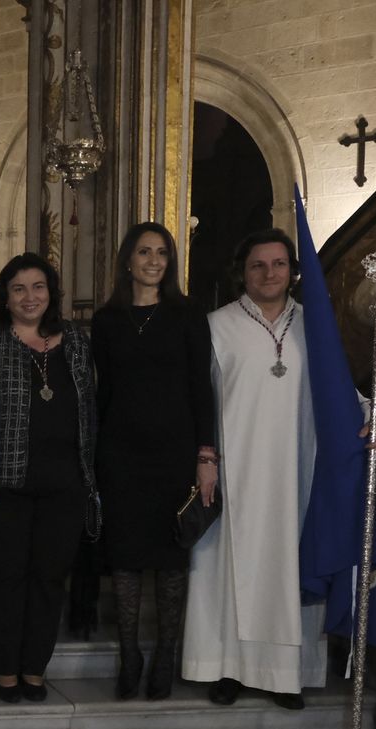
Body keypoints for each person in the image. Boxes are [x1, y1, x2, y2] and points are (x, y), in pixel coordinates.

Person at [184, 228, 376, 708]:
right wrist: (205, 457)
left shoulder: (314, 324)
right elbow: (199, 400)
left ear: (293, 272)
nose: (269, 273)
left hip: (299, 470)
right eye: (258, 265)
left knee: (288, 569)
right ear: (243, 271)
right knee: (229, 572)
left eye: (278, 264)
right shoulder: (216, 325)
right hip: (234, 470)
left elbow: (342, 393)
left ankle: (285, 677)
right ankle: (227, 670)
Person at [0, 254, 96, 704]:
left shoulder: (76, 342)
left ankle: (34, 668)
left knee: (48, 579)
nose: (29, 297)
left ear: (51, 293)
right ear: (5, 295)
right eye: (18, 288)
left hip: (65, 484)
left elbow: (92, 409)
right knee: (2, 579)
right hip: (0, 486)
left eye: (38, 287)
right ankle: (4, 668)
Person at [91, 224, 217, 700]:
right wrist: (94, 456)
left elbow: (200, 390)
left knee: (169, 560)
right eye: (144, 252)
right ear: (128, 259)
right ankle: (130, 656)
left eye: (162, 252)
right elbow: (101, 393)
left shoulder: (187, 314)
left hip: (174, 454)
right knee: (123, 558)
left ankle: (165, 655)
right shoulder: (106, 320)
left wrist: (206, 455)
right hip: (120, 454)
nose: (153, 260)